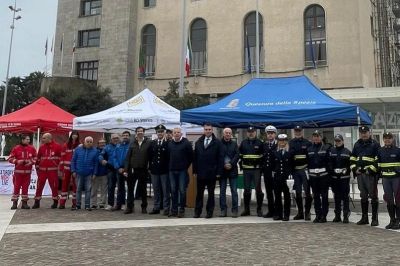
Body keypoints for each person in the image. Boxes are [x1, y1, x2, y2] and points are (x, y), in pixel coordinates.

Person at [350, 125, 380, 226]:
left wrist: (370, 170)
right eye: (362, 133)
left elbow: (378, 160)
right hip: (360, 174)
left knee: (373, 196)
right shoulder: (357, 144)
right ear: (360, 134)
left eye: (365, 132)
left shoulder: (375, 144)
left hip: (370, 175)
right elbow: (353, 158)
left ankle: (375, 219)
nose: (364, 134)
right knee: (363, 196)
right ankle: (364, 218)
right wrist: (354, 168)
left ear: (369, 132)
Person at [193, 123, 224, 219]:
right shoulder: (198, 142)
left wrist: (219, 172)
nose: (208, 131)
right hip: (201, 172)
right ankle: (197, 212)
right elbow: (195, 158)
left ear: (212, 130)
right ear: (204, 130)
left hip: (212, 173)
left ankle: (209, 212)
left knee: (211, 194)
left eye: (210, 129)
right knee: (199, 194)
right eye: (206, 129)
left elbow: (220, 158)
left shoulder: (217, 143)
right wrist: (194, 171)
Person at [123, 127, 151, 214]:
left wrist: (149, 168)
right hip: (133, 169)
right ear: (136, 133)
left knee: (143, 190)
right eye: (138, 131)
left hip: (143, 169)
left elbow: (150, 157)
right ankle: (129, 207)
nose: (140, 132)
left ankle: (144, 207)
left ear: (144, 132)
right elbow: (128, 158)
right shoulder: (132, 143)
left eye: (141, 131)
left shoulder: (148, 143)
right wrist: (126, 170)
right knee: (130, 189)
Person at [376, 132, 400, 230]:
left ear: (392, 139)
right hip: (385, 179)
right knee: (389, 200)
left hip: (396, 178)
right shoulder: (380, 151)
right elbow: (377, 164)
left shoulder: (398, 150)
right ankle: (392, 220)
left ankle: (398, 221)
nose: (387, 140)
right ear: (383, 140)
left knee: (398, 200)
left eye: (389, 138)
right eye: (385, 138)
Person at [239, 126, 264, 217]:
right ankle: (247, 210)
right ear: (247, 133)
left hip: (256, 170)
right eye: (249, 131)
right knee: (247, 190)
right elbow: (240, 155)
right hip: (246, 170)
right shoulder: (243, 143)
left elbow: (263, 156)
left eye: (252, 131)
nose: (251, 133)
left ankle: (259, 209)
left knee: (258, 190)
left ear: (255, 132)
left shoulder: (260, 143)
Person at [168, 127, 193, 218]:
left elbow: (191, 156)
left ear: (181, 134)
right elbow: (167, 156)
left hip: (182, 170)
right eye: (175, 132)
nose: (177, 134)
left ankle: (181, 209)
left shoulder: (186, 143)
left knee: (182, 190)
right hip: (172, 170)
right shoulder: (170, 143)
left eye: (178, 132)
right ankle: (174, 210)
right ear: (173, 134)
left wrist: (185, 166)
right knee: (173, 190)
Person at [33, 133, 62, 209]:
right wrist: (37, 167)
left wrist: (59, 168)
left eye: (44, 138)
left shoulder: (57, 147)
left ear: (49, 138)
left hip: (53, 171)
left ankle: (55, 202)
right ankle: (37, 202)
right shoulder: (42, 147)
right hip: (42, 171)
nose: (42, 139)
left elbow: (61, 158)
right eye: (42, 138)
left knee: (54, 186)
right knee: (39, 186)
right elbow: (38, 158)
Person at [289, 125, 312, 220]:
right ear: (294, 131)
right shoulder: (290, 142)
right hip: (295, 171)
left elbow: (310, 157)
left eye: (299, 130)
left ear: (302, 131)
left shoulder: (307, 143)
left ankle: (307, 212)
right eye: (296, 131)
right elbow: (289, 157)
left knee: (307, 192)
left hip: (305, 170)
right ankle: (300, 212)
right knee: (297, 192)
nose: (297, 132)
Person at [307, 130, 330, 223]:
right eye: (314, 136)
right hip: (313, 177)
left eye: (318, 136)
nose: (316, 138)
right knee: (316, 196)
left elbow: (329, 162)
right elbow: (308, 162)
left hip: (323, 176)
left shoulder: (326, 148)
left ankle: (324, 215)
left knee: (324, 196)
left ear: (321, 137)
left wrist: (328, 175)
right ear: (312, 137)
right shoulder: (309, 149)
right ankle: (317, 215)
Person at [8, 134, 37, 210]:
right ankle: (15, 203)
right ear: (22, 140)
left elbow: (36, 158)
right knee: (16, 188)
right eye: (27, 139)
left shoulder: (32, 148)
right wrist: (17, 161)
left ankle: (24, 204)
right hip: (18, 173)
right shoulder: (16, 148)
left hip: (27, 173)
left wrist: (31, 162)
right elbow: (10, 158)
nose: (28, 141)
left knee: (25, 188)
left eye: (29, 139)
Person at [328, 134, 351, 223]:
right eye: (336, 141)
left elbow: (351, 164)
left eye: (339, 141)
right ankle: (337, 215)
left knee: (345, 197)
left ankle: (345, 215)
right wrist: (332, 170)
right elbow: (329, 163)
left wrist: (346, 170)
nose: (338, 142)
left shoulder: (347, 152)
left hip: (344, 178)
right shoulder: (331, 151)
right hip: (335, 178)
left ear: (343, 141)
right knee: (336, 197)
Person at [71, 136, 98, 210]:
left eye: (90, 142)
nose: (89, 143)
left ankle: (87, 205)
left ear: (92, 143)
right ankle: (78, 205)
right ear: (84, 142)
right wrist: (73, 170)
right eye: (87, 141)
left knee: (88, 190)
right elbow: (73, 161)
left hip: (89, 174)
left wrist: (95, 173)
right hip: (78, 173)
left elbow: (96, 163)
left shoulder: (95, 151)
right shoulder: (77, 150)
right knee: (78, 189)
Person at [148, 124, 170, 216]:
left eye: (161, 132)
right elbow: (150, 156)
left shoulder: (168, 143)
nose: (160, 133)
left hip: (164, 170)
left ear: (164, 133)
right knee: (156, 190)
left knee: (165, 191)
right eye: (158, 132)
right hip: (154, 170)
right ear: (156, 133)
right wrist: (149, 168)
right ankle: (156, 207)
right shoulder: (152, 143)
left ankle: (166, 208)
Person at [219, 127, 240, 218]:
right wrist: (224, 164)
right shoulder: (219, 144)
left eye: (229, 133)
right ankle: (223, 210)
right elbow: (218, 155)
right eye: (226, 133)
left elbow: (237, 155)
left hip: (233, 170)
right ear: (223, 134)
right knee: (222, 192)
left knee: (234, 191)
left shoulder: (234, 144)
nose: (228, 134)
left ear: (231, 134)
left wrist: (231, 164)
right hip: (222, 170)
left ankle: (235, 210)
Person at [272, 134, 293, 221]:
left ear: (286, 141)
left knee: (287, 197)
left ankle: (286, 215)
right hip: (277, 177)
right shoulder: (275, 152)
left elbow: (292, 165)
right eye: (280, 140)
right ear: (278, 141)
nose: (282, 142)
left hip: (286, 177)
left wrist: (291, 176)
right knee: (277, 196)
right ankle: (278, 214)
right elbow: (273, 165)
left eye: (284, 140)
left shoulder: (290, 152)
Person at [59, 131, 80, 209]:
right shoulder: (65, 145)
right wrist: (61, 169)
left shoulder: (79, 146)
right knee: (64, 186)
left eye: (76, 135)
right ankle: (62, 203)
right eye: (73, 135)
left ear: (78, 136)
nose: (75, 136)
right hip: (66, 169)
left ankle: (75, 203)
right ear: (71, 136)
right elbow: (62, 158)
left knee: (76, 186)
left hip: (76, 169)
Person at [99, 133, 119, 210]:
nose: (115, 139)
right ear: (111, 139)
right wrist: (102, 160)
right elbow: (101, 155)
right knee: (111, 187)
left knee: (121, 188)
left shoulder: (121, 146)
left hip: (120, 169)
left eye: (117, 138)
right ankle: (110, 204)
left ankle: (121, 203)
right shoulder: (107, 147)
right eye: (114, 138)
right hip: (111, 169)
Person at [112, 131, 131, 211]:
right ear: (122, 137)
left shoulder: (131, 146)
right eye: (124, 135)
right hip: (119, 169)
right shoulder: (118, 146)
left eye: (127, 135)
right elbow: (114, 157)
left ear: (129, 136)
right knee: (120, 187)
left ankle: (129, 205)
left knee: (130, 188)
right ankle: (119, 204)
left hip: (128, 169)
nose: (125, 137)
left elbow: (131, 158)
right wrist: (118, 167)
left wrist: (126, 168)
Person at [262, 125, 278, 218]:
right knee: (269, 193)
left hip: (275, 173)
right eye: (268, 133)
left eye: (272, 133)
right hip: (267, 172)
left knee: (276, 192)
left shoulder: (278, 144)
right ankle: (270, 210)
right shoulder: (264, 145)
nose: (270, 135)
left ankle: (277, 211)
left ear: (275, 134)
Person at [91, 138, 108, 209]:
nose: (102, 144)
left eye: (103, 143)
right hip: (95, 173)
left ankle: (102, 203)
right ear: (98, 144)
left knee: (104, 190)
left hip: (105, 173)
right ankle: (93, 203)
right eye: (100, 143)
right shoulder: (94, 151)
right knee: (94, 189)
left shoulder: (107, 151)